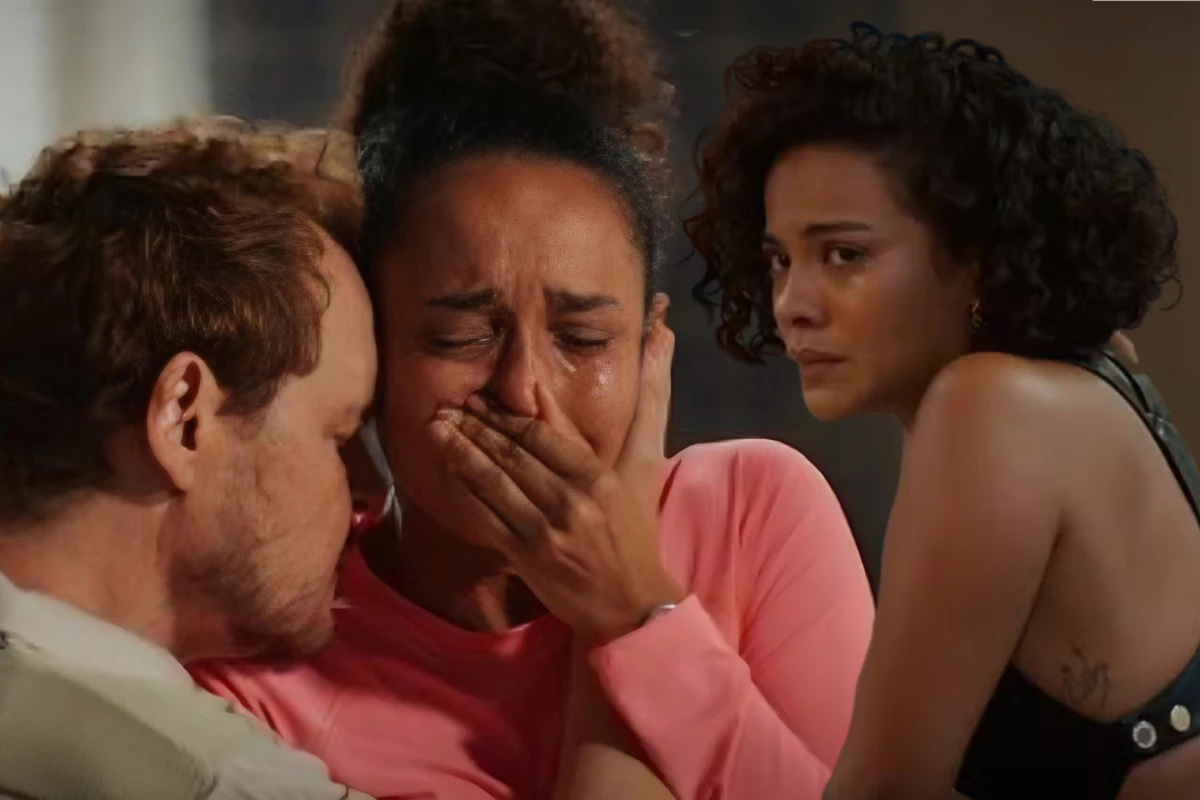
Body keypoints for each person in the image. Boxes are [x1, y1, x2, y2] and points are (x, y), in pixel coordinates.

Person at [191, 1, 875, 798]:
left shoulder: (753, 512)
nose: (524, 389)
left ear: (648, 344)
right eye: (460, 337)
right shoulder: (269, 663)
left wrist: (636, 614)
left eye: (582, 339)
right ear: (368, 351)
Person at [685, 22, 1200, 800]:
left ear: (979, 257)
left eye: (845, 255)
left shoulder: (990, 406)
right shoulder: (1090, 379)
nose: (792, 303)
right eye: (780, 260)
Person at [0, 118, 378, 799]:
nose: (368, 492)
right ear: (184, 419)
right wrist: (595, 637)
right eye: (340, 436)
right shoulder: (216, 779)